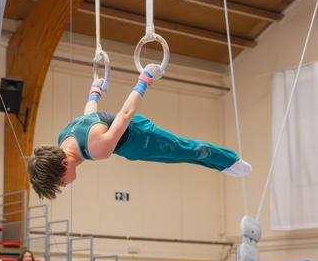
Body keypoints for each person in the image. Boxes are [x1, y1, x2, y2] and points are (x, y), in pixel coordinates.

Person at [28, 66, 252, 200]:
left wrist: (144, 80)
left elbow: (125, 115)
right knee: (185, 155)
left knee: (188, 151)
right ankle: (225, 164)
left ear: (64, 164)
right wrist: (94, 92)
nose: (64, 185)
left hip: (142, 140)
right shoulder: (65, 138)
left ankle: (229, 161)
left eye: (60, 183)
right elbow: (88, 117)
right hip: (131, 142)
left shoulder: (97, 150)